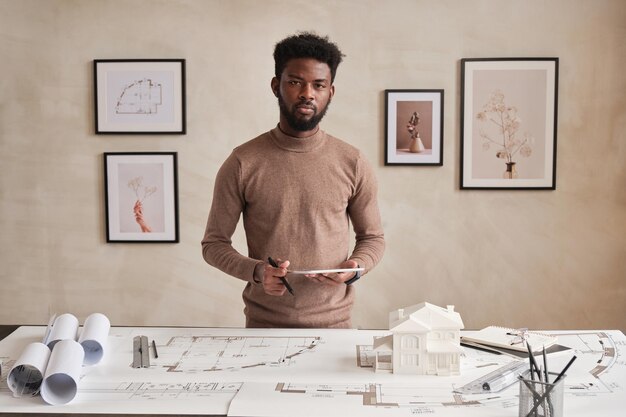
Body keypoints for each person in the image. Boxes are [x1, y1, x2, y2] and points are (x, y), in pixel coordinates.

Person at [201, 32, 385, 328]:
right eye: (296, 82)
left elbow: (372, 239)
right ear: (277, 86)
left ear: (330, 92)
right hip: (263, 329)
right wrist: (258, 272)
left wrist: (356, 267)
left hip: (336, 328)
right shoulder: (242, 162)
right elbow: (214, 245)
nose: (307, 93)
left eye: (318, 85)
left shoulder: (353, 161)